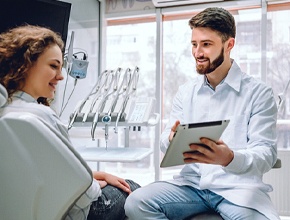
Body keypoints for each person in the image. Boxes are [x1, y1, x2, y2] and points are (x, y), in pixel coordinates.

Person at [124, 7, 280, 220]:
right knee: (136, 202)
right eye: (194, 44)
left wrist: (230, 158)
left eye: (206, 44)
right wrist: (171, 139)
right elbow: (164, 140)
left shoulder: (259, 93)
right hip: (192, 186)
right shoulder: (186, 92)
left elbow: (266, 154)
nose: (198, 53)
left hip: (237, 189)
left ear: (229, 45)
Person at [0, 24, 140, 220]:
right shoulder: (41, 116)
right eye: (53, 66)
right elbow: (85, 192)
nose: (61, 76)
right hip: (76, 211)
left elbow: (42, 170)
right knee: (134, 190)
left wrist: (95, 175)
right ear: (27, 64)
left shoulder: (5, 111)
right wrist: (93, 184)